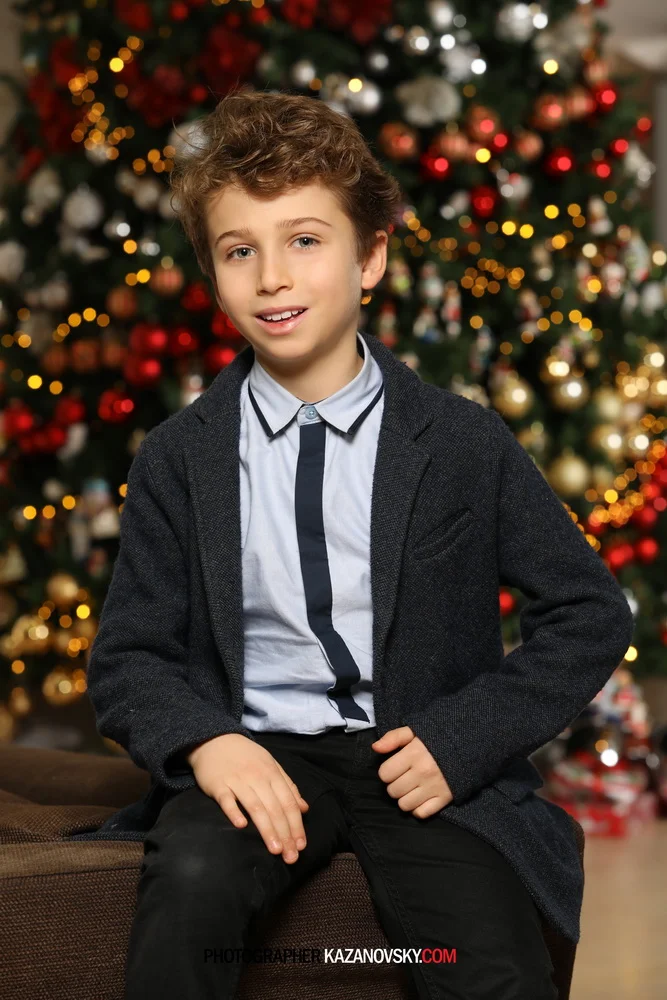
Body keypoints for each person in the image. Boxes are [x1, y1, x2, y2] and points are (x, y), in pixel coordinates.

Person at [73, 89, 634, 1000]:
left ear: (370, 256)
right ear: (214, 276)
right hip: (258, 754)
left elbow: (588, 611)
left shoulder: (460, 443)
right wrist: (210, 745)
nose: (272, 278)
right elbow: (130, 656)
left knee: (486, 965)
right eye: (238, 251)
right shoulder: (181, 457)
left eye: (304, 240)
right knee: (189, 897)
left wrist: (463, 737)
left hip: (417, 760)